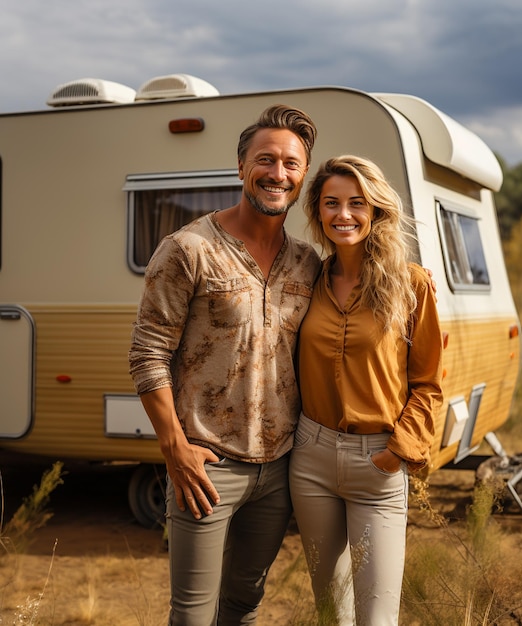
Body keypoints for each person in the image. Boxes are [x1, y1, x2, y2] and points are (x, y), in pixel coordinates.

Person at [128, 104, 320, 625]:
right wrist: (175, 449)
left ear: (303, 175)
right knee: (192, 615)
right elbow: (147, 354)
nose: (278, 174)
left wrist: (415, 280)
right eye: (266, 160)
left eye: (291, 164)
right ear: (241, 168)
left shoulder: (308, 262)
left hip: (280, 466)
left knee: (243, 607)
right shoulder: (188, 249)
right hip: (206, 467)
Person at [289, 155, 444, 626]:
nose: (344, 214)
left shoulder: (411, 285)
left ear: (375, 209)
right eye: (332, 203)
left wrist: (397, 453)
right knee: (331, 612)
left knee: (376, 618)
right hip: (310, 460)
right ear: (317, 212)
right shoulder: (308, 279)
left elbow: (430, 384)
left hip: (378, 463)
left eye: (357, 203)